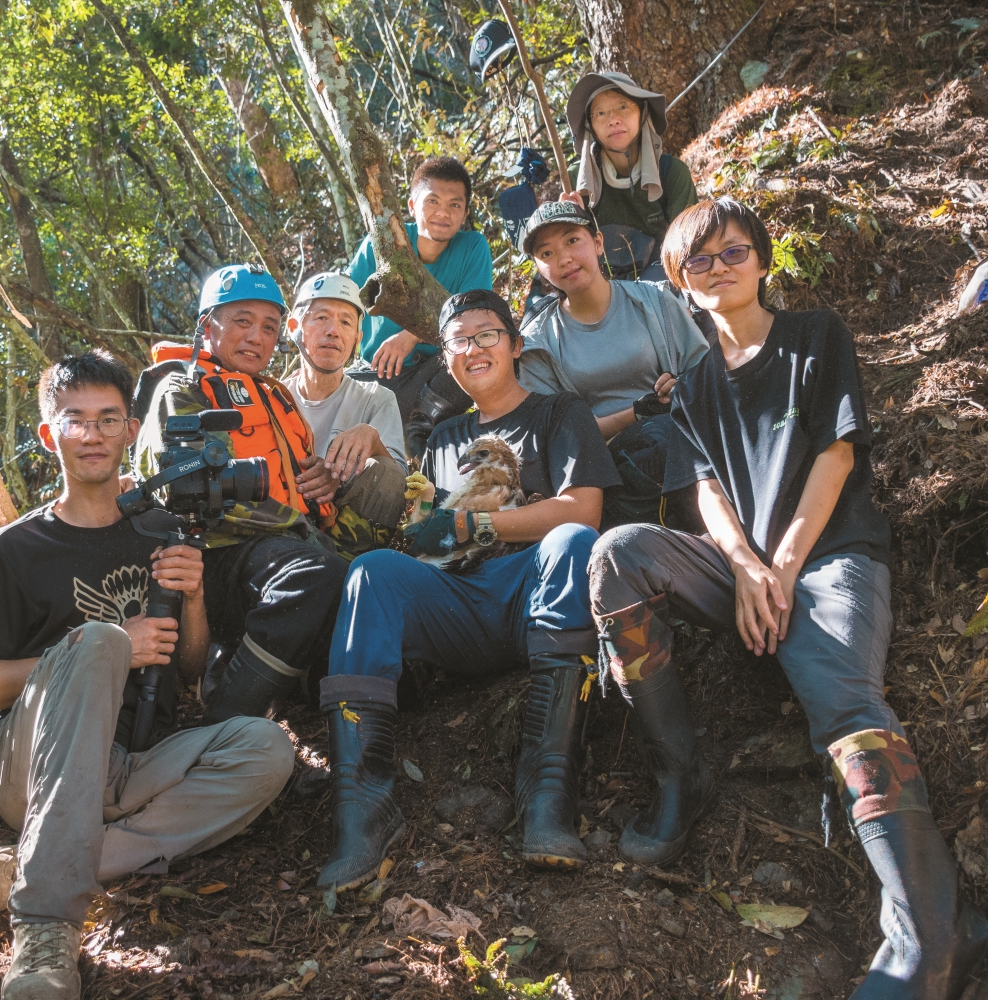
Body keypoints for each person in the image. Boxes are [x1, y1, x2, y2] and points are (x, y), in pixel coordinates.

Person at [589, 198, 988, 997]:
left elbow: (836, 456)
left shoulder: (814, 338)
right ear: (680, 282)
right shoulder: (694, 385)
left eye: (733, 252)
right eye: (698, 262)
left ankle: (930, 936)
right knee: (615, 555)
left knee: (839, 693)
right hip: (746, 569)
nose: (719, 269)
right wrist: (742, 565)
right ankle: (680, 777)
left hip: (830, 554)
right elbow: (703, 493)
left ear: (762, 261)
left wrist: (781, 562)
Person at [0, 351, 294, 1000]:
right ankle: (45, 936)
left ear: (131, 431)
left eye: (109, 420)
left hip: (131, 764)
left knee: (265, 749)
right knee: (99, 641)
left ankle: (45, 861)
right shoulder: (11, 550)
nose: (94, 435)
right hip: (34, 768)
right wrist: (107, 648)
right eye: (76, 421)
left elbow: (190, 668)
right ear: (50, 434)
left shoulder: (160, 530)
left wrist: (191, 598)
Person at [317, 290, 621, 891]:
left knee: (570, 544)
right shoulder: (447, 434)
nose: (473, 348)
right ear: (448, 358)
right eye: (459, 339)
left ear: (514, 345)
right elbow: (424, 527)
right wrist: (404, 495)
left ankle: (548, 792)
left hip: (532, 595)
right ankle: (362, 809)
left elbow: (583, 512)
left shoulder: (560, 413)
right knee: (372, 571)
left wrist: (475, 523)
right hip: (455, 601)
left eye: (486, 335)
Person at [133, 265, 352, 722]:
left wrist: (322, 485)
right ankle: (225, 718)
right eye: (242, 321)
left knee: (368, 586)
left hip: (284, 549)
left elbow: (300, 484)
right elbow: (180, 489)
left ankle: (312, 692)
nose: (257, 336)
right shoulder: (183, 388)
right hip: (214, 558)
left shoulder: (277, 396)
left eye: (269, 327)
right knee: (315, 576)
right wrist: (294, 528)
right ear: (206, 326)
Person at [517, 200, 707, 526]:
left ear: (598, 242)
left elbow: (706, 376)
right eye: (546, 253)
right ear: (538, 266)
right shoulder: (538, 342)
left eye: (572, 241)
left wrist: (682, 387)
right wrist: (637, 412)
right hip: (600, 467)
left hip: (680, 437)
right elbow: (556, 438)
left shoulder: (655, 301)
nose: (563, 259)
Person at [348, 156, 494, 458]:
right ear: (413, 206)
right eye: (433, 201)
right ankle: (398, 426)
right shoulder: (381, 244)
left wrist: (410, 335)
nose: (443, 212)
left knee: (477, 349)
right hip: (378, 374)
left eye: (455, 205)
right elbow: (347, 303)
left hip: (435, 377)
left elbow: (475, 315)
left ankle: (419, 430)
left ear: (465, 212)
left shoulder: (472, 246)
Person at [280, 271, 407, 530]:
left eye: (346, 323)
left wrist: (373, 440)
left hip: (347, 532)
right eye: (322, 317)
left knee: (385, 471)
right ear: (295, 329)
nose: (333, 331)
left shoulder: (376, 399)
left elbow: (395, 483)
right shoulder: (274, 400)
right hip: (283, 523)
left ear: (357, 339)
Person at [562, 72, 697, 282]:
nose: (614, 120)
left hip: (665, 288)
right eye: (600, 113)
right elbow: (569, 256)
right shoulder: (576, 183)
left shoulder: (671, 173)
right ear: (590, 126)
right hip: (602, 291)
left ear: (643, 112)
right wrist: (567, 222)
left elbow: (689, 249)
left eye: (623, 107)